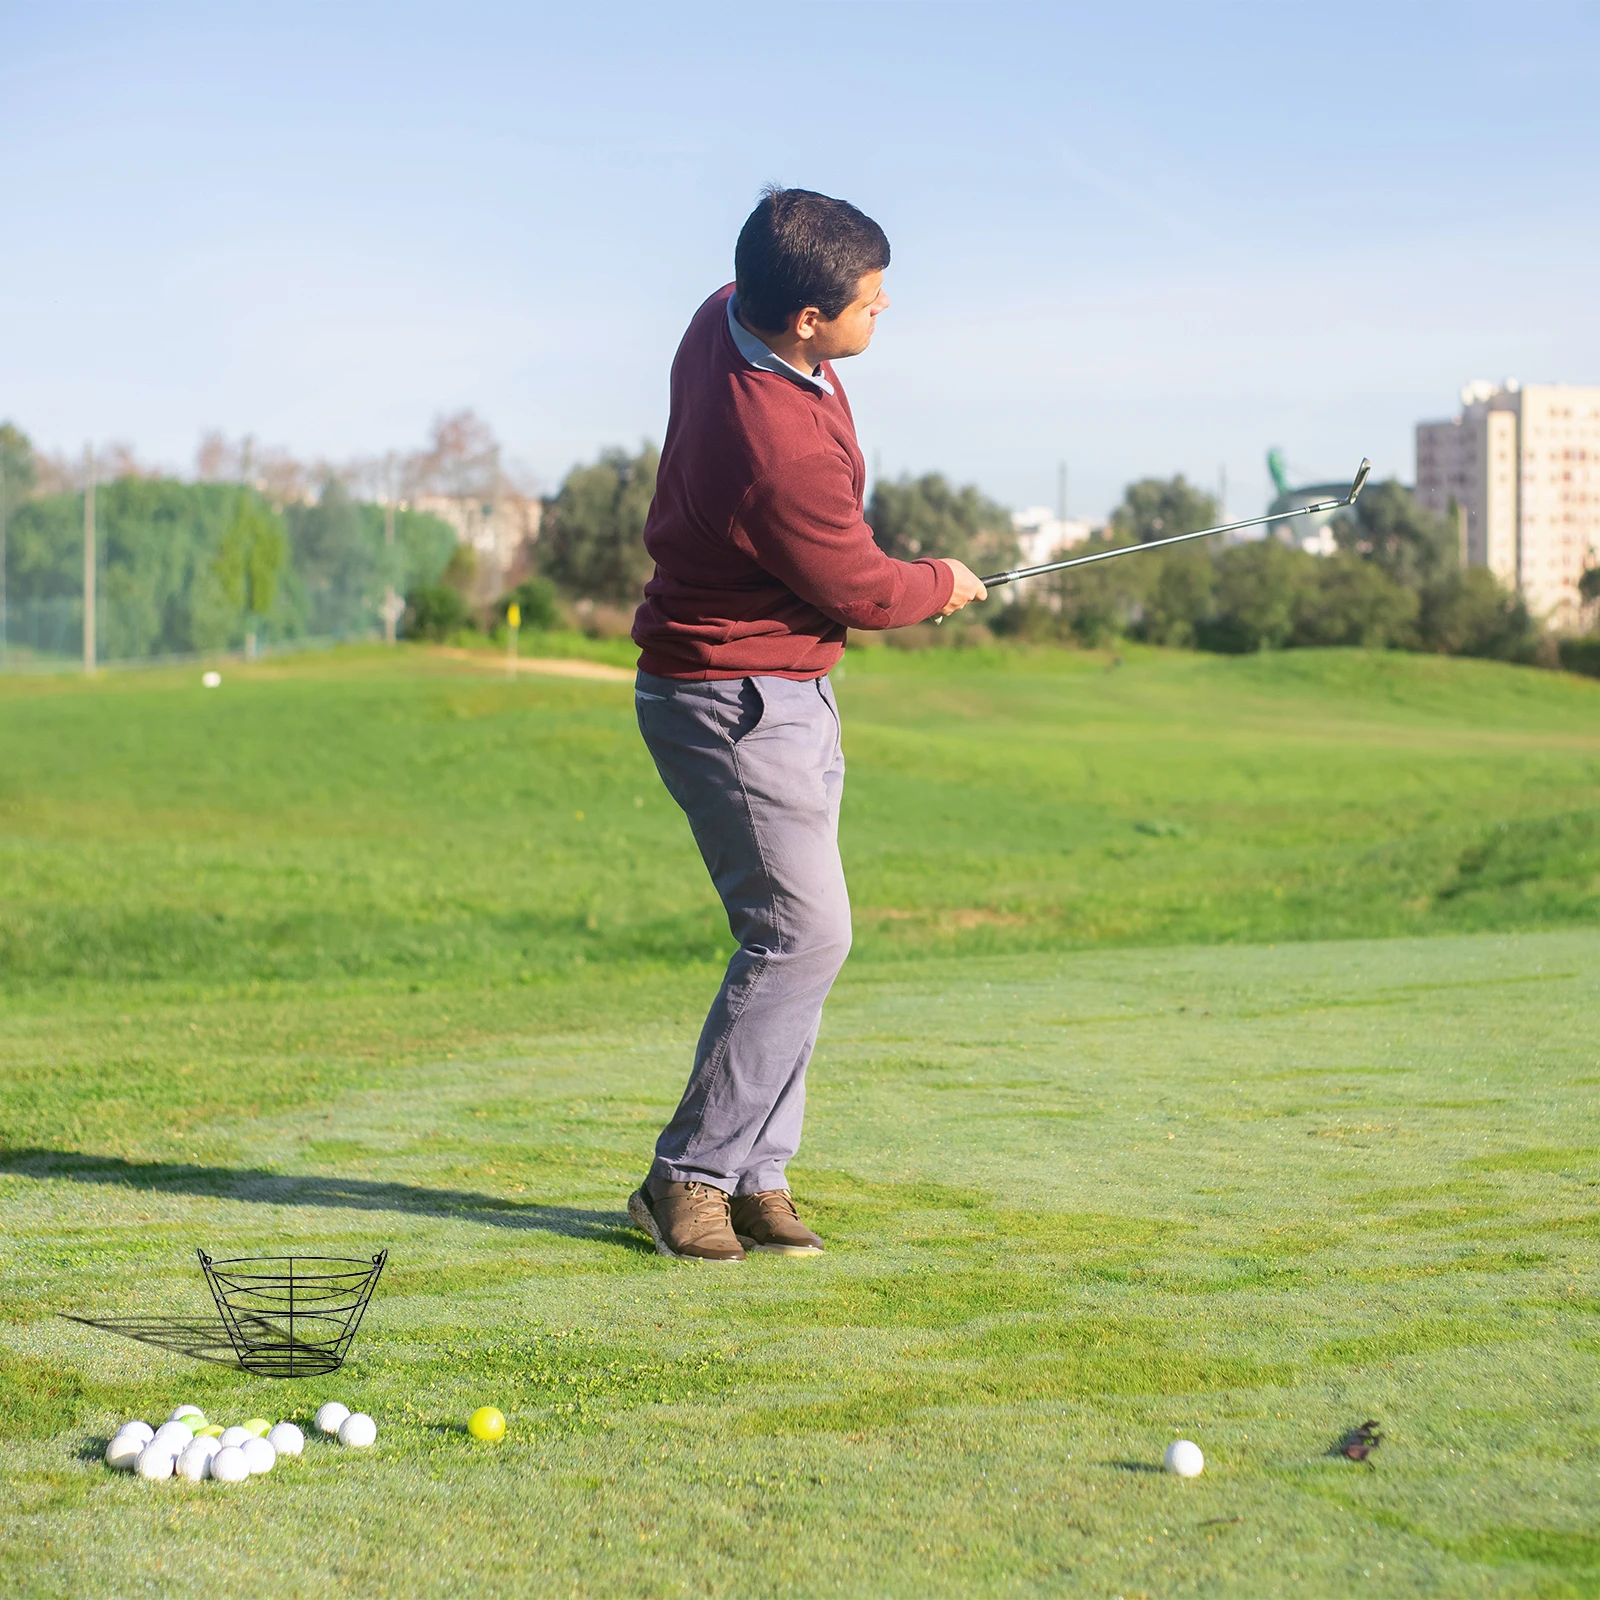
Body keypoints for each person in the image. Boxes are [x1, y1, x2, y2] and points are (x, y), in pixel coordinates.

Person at [627, 186, 987, 1262]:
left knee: (802, 942)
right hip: (731, 698)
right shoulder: (777, 447)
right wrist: (942, 582)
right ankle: (686, 1179)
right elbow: (863, 588)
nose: (886, 310)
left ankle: (754, 1175)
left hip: (785, 687)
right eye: (871, 302)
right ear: (806, 319)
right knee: (803, 934)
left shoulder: (726, 308)